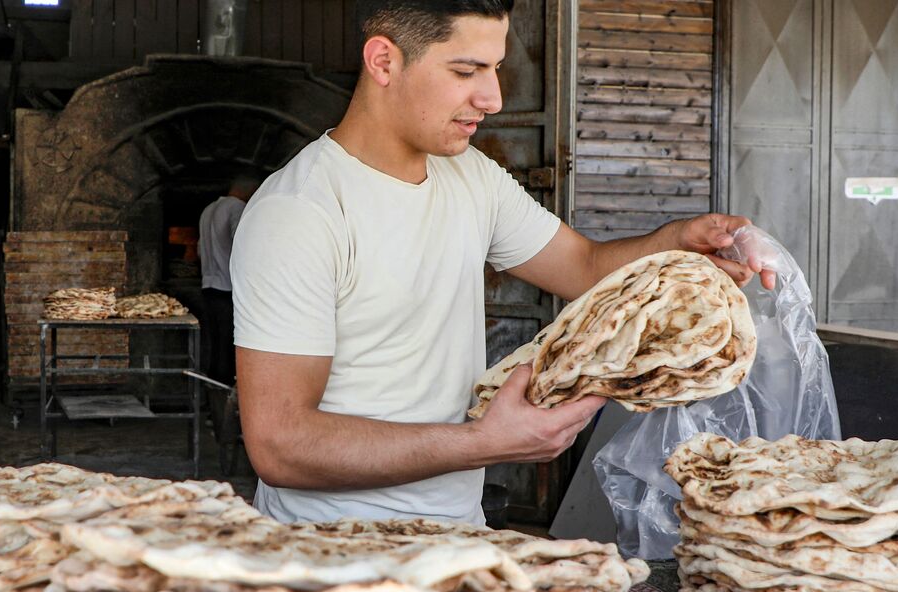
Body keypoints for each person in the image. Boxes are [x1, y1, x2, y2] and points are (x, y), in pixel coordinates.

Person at [231, 0, 775, 525]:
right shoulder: (300, 213)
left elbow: (583, 267)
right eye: (466, 70)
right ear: (384, 61)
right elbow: (281, 446)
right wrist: (483, 444)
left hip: (460, 532)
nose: (492, 98)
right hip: (328, 550)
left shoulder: (471, 176)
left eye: (494, 68)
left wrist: (680, 241)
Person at [198, 175, 259, 386]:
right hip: (228, 288)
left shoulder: (208, 210)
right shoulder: (237, 208)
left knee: (214, 343)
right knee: (227, 346)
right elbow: (242, 245)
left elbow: (199, 249)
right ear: (248, 191)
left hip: (208, 284)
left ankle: (212, 393)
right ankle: (223, 396)